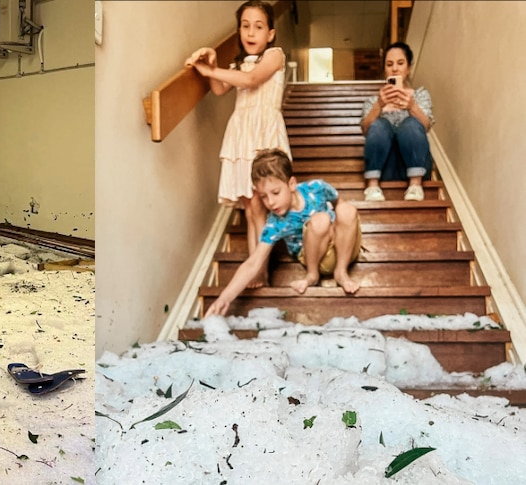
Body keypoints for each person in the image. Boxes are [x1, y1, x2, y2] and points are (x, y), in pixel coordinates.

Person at [185, 0, 292, 288]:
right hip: (242, 132)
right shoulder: (238, 64)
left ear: (270, 33)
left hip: (264, 133)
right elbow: (220, 89)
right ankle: (256, 269)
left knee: (262, 201)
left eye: (258, 26)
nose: (251, 32)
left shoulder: (275, 55)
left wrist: (210, 71)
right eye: (245, 26)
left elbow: (253, 79)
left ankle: (262, 268)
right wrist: (213, 66)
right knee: (250, 208)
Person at [204, 149, 361, 318]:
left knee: (347, 209)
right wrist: (225, 298)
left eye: (276, 193)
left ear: (291, 184)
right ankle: (312, 275)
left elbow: (339, 202)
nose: (270, 202)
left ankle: (341, 272)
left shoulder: (317, 188)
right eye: (264, 196)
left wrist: (341, 230)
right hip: (315, 256)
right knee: (320, 220)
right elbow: (253, 262)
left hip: (343, 248)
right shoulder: (275, 223)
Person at [360, 42, 434, 202]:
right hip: (384, 165)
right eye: (389, 64)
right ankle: (372, 186)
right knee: (379, 125)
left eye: (400, 63)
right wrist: (379, 105)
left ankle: (415, 185)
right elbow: (366, 130)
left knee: (410, 124)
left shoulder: (420, 95)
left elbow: (426, 125)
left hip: (415, 163)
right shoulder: (374, 101)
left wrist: (412, 106)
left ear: (408, 68)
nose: (395, 69)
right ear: (384, 70)